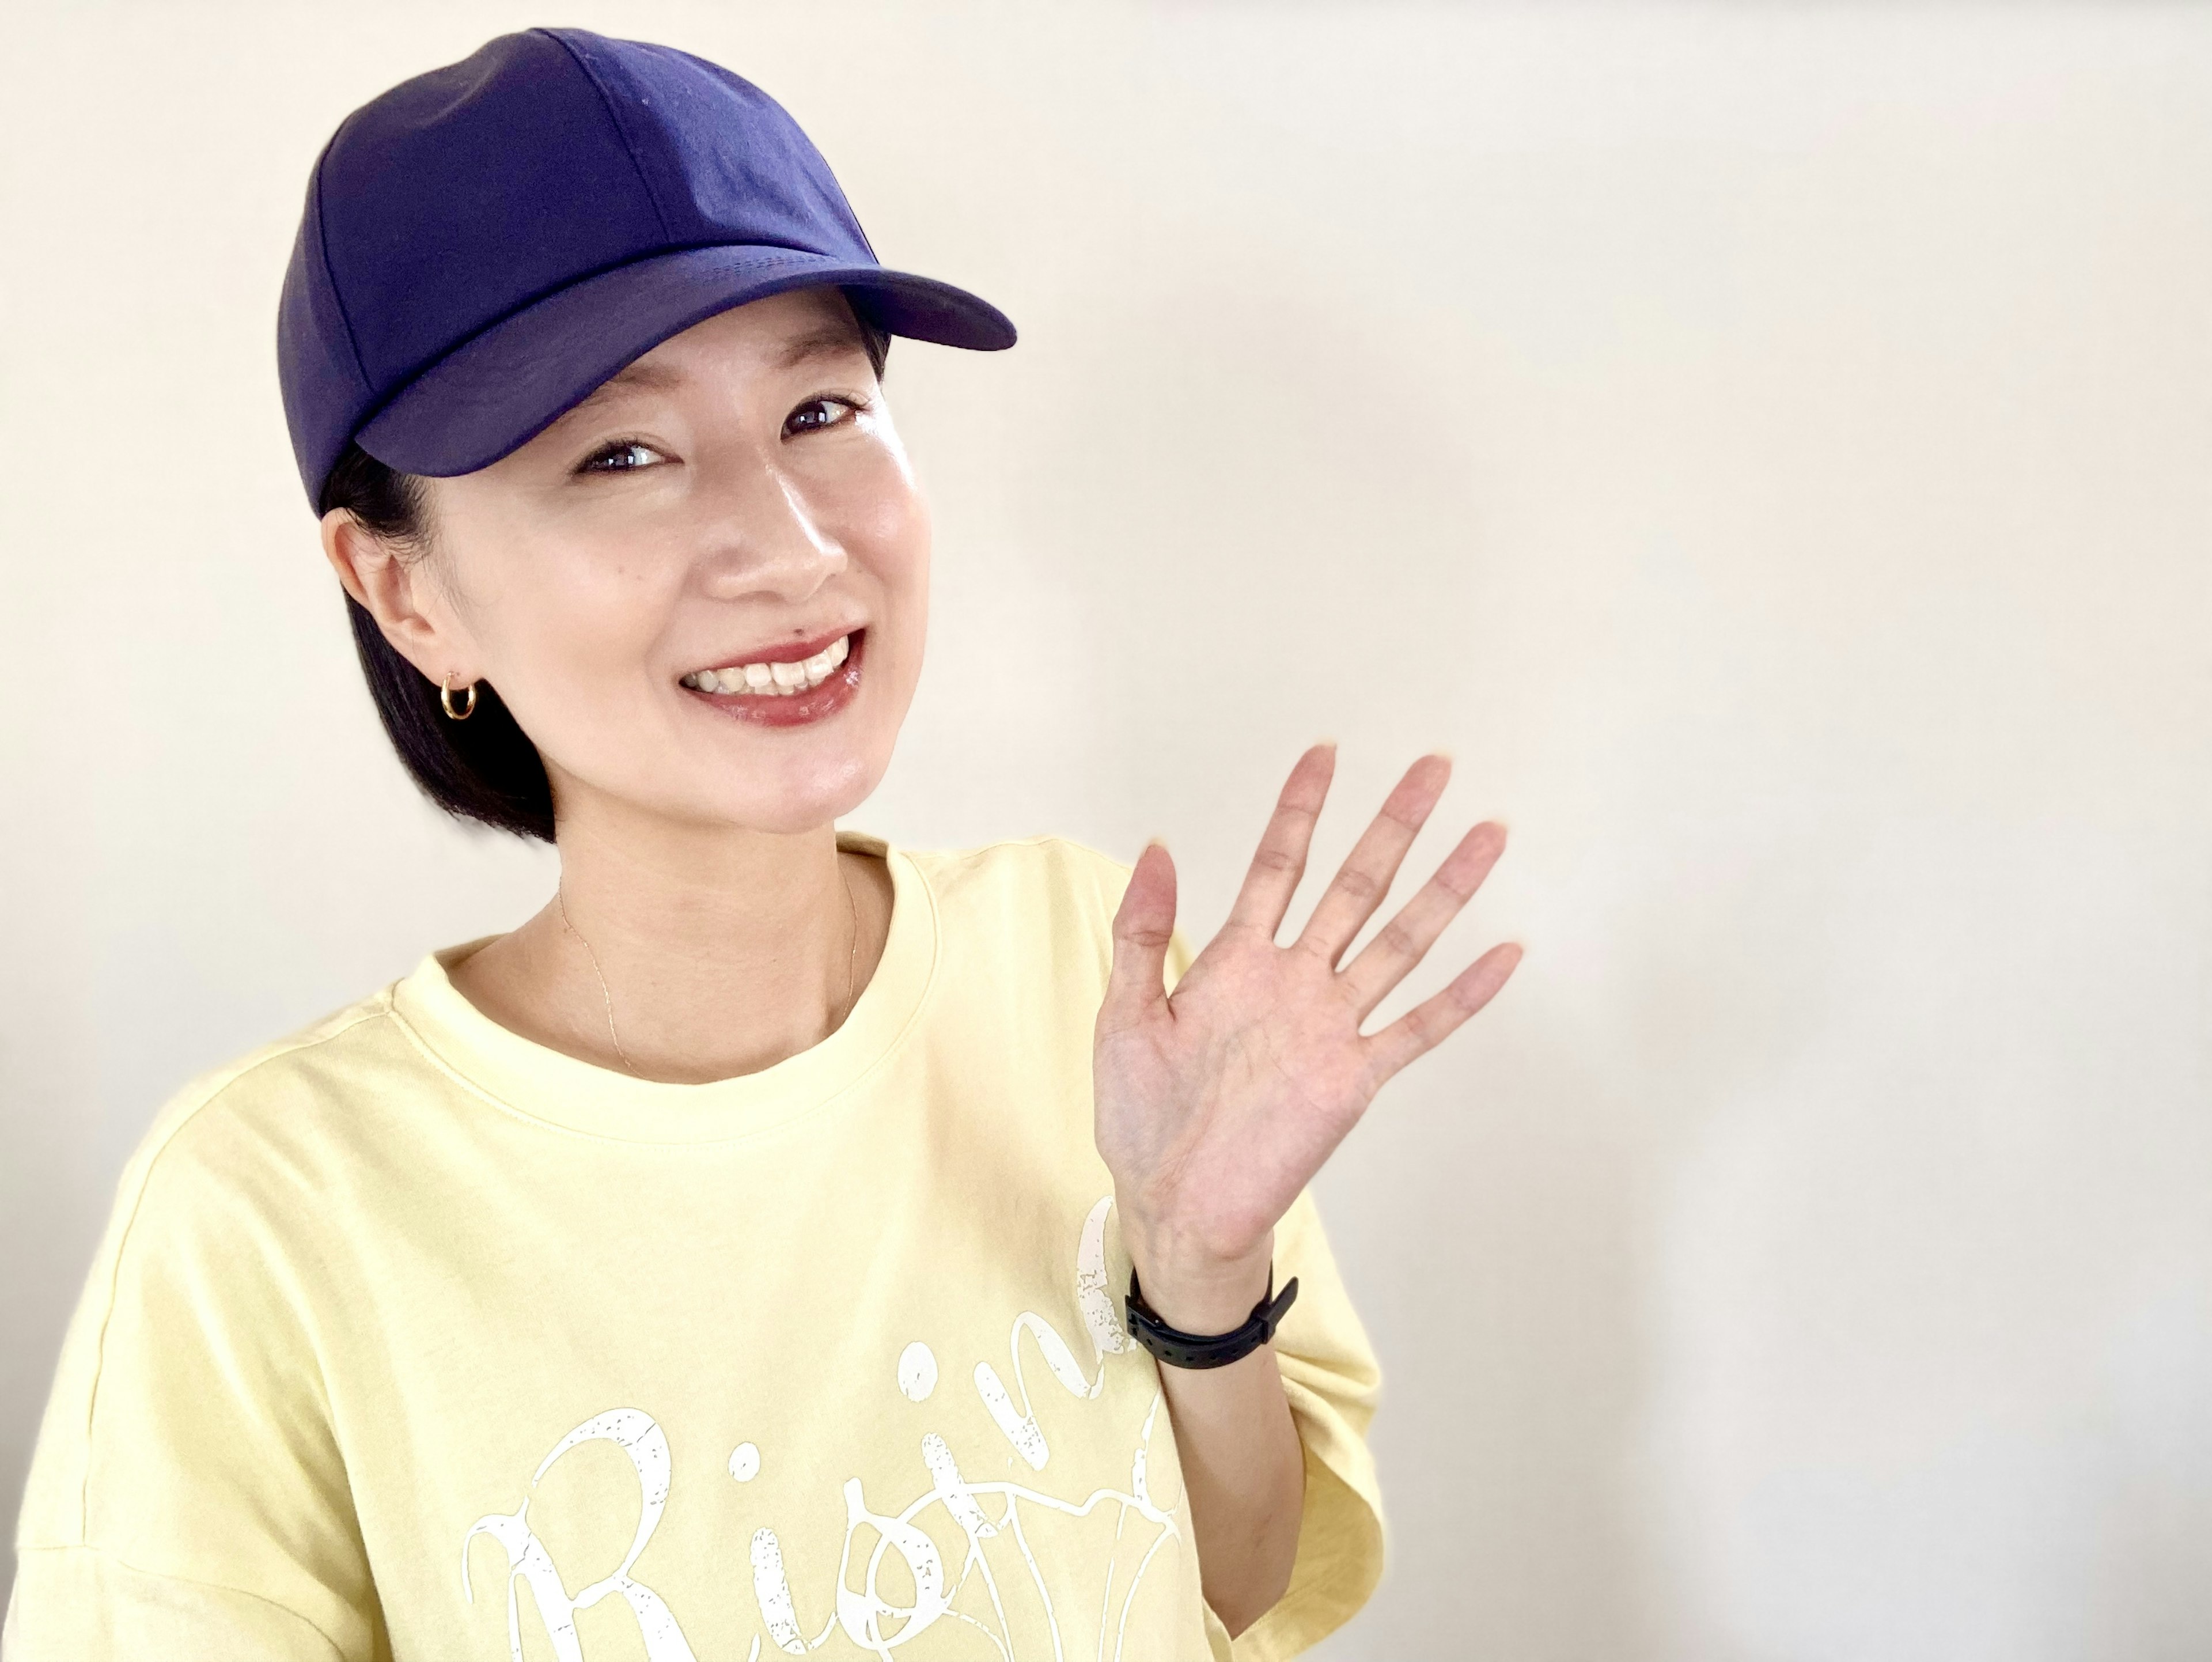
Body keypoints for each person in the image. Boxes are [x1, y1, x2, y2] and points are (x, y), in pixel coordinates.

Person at [5, 26, 1519, 1662]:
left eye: (819, 407)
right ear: (405, 588)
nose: (790, 545)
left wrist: (1199, 1281)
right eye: (623, 453)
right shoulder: (269, 1213)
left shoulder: (1092, 978)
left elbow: (1222, 1583)